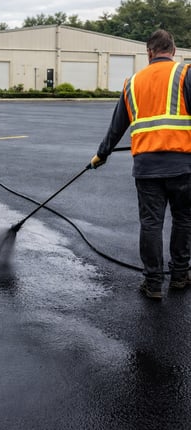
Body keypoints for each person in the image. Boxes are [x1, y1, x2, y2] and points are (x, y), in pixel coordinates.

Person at [90, 29, 191, 300]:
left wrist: (102, 154)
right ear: (174, 49)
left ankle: (154, 283)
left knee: (151, 223)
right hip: (183, 164)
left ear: (149, 52)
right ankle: (180, 275)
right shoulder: (185, 73)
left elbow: (116, 127)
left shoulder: (132, 82)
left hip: (146, 167)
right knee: (183, 218)